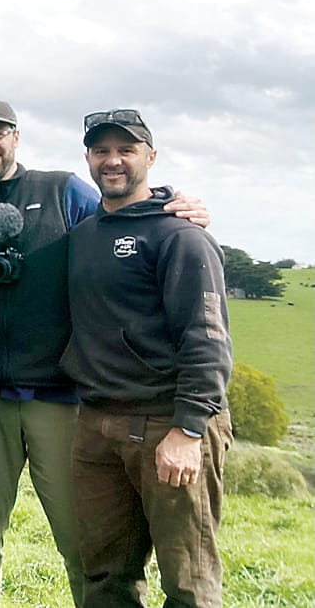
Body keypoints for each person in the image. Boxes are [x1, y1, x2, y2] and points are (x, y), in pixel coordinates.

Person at [0, 98, 211, 608]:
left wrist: (173, 201)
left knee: (83, 543)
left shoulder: (63, 190)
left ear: (16, 137)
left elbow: (121, 214)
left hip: (61, 400)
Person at [63, 109, 232, 608]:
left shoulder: (179, 235)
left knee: (187, 581)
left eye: (126, 150)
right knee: (106, 578)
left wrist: (189, 429)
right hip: (97, 426)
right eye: (101, 151)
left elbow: (206, 337)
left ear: (150, 157)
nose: (112, 161)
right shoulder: (84, 236)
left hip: (168, 425)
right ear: (89, 159)